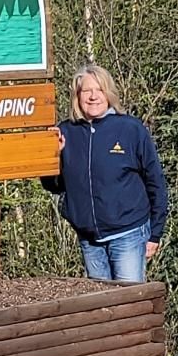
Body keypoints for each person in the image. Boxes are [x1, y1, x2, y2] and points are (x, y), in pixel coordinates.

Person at [43, 63, 169, 283]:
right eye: (86, 91)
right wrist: (53, 156)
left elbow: (155, 181)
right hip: (89, 240)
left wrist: (155, 232)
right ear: (77, 96)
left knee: (128, 305)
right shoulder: (65, 132)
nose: (93, 97)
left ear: (108, 93)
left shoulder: (130, 129)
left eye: (99, 90)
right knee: (102, 310)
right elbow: (54, 185)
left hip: (128, 234)